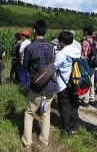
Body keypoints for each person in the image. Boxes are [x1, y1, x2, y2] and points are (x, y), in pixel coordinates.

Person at [21, 20, 56, 149]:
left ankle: (27, 141)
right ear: (45, 31)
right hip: (50, 86)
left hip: (36, 87)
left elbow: (24, 69)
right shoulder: (51, 47)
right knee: (46, 114)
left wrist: (25, 86)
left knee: (29, 113)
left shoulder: (29, 48)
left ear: (34, 30)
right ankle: (43, 141)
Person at [54, 31, 81, 137]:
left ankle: (66, 130)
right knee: (74, 105)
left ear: (61, 41)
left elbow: (54, 67)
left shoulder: (61, 54)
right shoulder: (77, 51)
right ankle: (74, 126)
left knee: (64, 107)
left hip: (63, 84)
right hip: (75, 82)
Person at [81, 25, 97, 106]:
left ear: (86, 32)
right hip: (93, 64)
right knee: (92, 81)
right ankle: (92, 98)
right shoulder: (94, 40)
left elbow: (84, 55)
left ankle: (86, 100)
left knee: (86, 81)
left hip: (87, 64)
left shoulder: (85, 42)